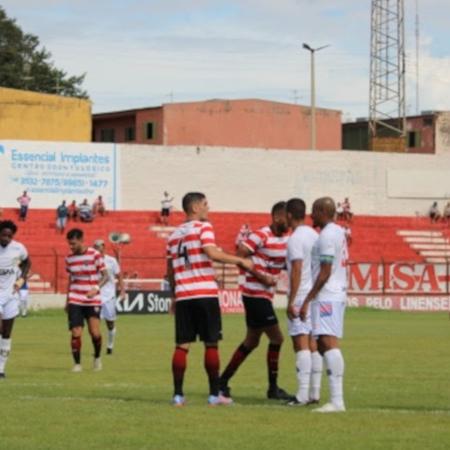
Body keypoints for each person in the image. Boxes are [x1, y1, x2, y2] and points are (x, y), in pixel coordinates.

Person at [166, 192, 253, 406]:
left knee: (182, 345)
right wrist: (240, 262)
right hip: (204, 293)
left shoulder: (173, 235)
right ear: (195, 207)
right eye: (205, 204)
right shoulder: (204, 227)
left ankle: (178, 396)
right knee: (211, 344)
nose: (208, 207)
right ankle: (215, 395)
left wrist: (175, 296)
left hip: (184, 295)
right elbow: (212, 253)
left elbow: (170, 271)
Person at [219, 202, 292, 401]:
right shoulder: (260, 235)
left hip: (264, 294)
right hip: (255, 293)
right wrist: (260, 276)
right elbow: (239, 257)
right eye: (288, 217)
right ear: (277, 217)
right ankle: (272, 388)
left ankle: (222, 382)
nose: (290, 222)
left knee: (251, 341)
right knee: (277, 338)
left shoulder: (287, 238)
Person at [299, 197, 348, 413]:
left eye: (314, 211)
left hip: (327, 296)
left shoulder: (327, 235)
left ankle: (337, 401)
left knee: (328, 343)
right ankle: (335, 399)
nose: (311, 215)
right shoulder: (337, 231)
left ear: (321, 211)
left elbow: (325, 271)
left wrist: (308, 298)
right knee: (321, 343)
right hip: (334, 294)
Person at [284, 198, 322, 406]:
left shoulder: (295, 239)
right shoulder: (314, 235)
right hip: (313, 296)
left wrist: (291, 301)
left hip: (300, 296)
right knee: (313, 344)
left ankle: (301, 395)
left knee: (300, 345)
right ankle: (314, 393)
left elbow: (297, 269)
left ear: (289, 215)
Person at [65, 228, 108, 372]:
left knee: (95, 333)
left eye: (74, 244)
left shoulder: (95, 255)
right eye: (69, 244)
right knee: (76, 332)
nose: (71, 247)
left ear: (82, 240)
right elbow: (71, 280)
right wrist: (67, 299)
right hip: (75, 299)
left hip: (92, 299)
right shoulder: (69, 259)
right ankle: (77, 364)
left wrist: (96, 288)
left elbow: (105, 276)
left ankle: (97, 357)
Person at [0, 220, 31, 378]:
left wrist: (22, 279)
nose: (6, 238)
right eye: (3, 235)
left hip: (11, 295)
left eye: (9, 236)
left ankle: (1, 369)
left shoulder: (18, 248)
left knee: (6, 333)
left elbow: (27, 262)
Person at [93, 240, 125, 355]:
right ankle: (97, 349)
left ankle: (110, 346)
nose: (97, 248)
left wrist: (122, 290)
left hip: (109, 297)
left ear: (103, 247)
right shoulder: (91, 261)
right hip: (95, 296)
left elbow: (119, 275)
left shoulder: (111, 261)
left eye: (99, 246)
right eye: (95, 246)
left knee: (110, 324)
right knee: (94, 325)